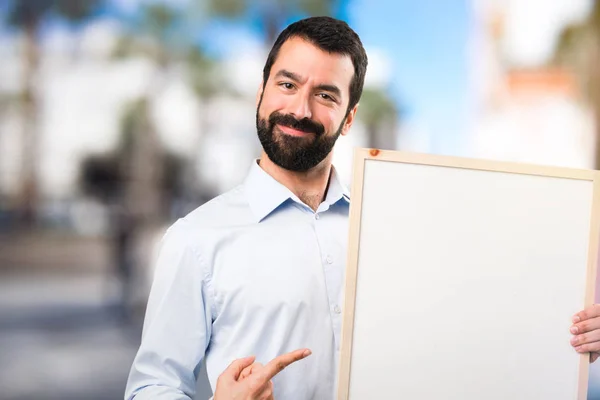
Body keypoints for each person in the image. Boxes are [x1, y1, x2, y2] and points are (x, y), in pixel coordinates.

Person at [125, 15, 600, 400]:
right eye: (287, 85)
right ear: (261, 93)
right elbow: (151, 387)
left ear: (349, 118)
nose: (301, 109)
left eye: (325, 95)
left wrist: (571, 338)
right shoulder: (196, 239)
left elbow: (475, 323)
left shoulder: (395, 225)